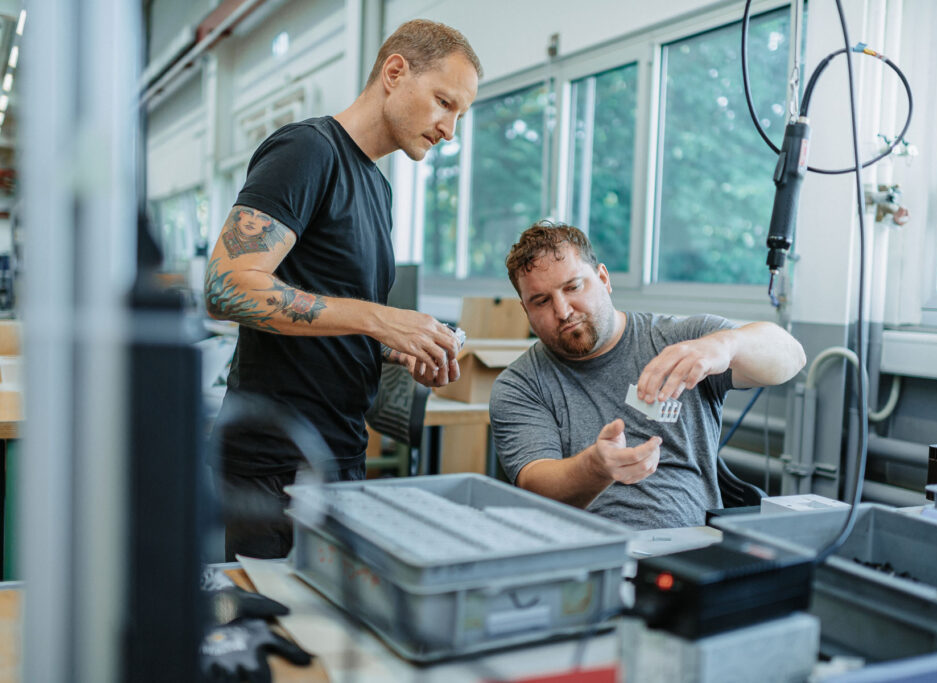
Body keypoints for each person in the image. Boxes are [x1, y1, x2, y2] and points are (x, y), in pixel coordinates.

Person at [205, 20, 482, 559]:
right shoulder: (308, 151)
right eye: (444, 102)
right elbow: (225, 285)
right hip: (273, 466)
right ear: (395, 72)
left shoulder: (377, 189)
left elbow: (335, 315)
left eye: (460, 116)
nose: (449, 129)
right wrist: (380, 318)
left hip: (339, 457)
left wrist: (398, 347)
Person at [489, 221, 806, 529]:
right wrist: (595, 467)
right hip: (585, 556)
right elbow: (535, 485)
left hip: (688, 551)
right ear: (526, 311)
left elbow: (791, 356)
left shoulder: (681, 339)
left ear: (603, 278)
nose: (563, 311)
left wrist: (726, 345)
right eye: (541, 301)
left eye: (573, 287)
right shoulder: (520, 385)